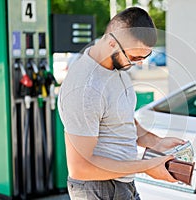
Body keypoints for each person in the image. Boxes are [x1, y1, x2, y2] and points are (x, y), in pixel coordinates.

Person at [57, 7, 185, 200]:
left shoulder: (116, 69)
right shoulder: (84, 89)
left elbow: (119, 119)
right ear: (111, 43)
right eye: (134, 57)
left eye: (145, 57)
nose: (139, 63)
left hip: (123, 184)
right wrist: (148, 166)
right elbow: (80, 168)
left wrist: (156, 142)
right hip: (96, 190)